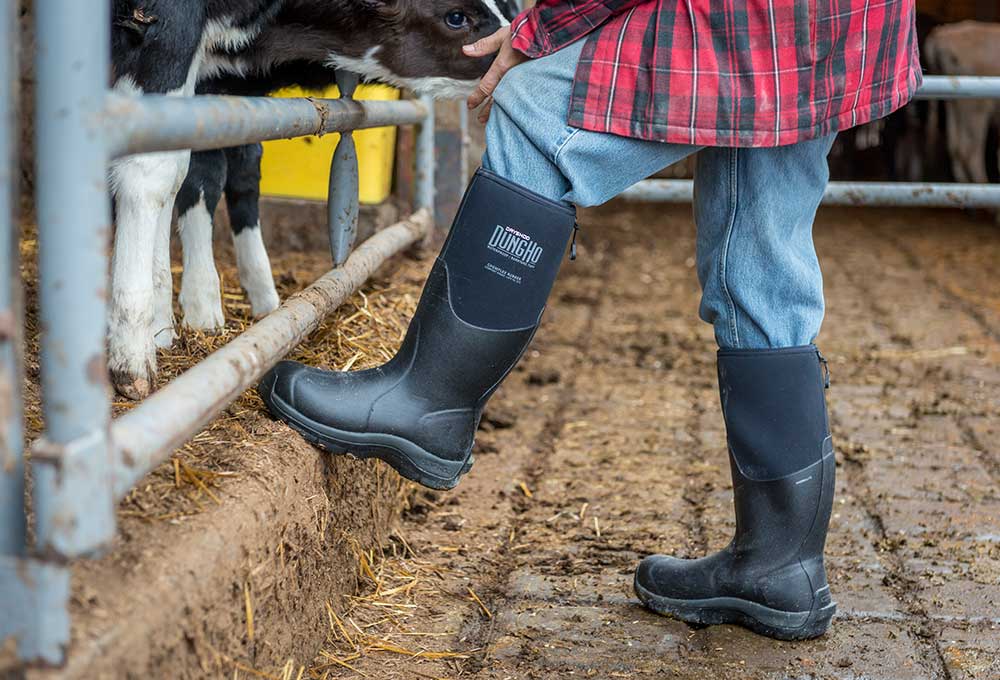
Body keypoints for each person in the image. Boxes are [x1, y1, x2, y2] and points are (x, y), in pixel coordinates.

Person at [259, 0, 921, 641]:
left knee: (534, 111)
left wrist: (545, 24)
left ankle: (429, 401)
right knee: (764, 249)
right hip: (845, 17)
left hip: (749, 13)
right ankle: (782, 568)